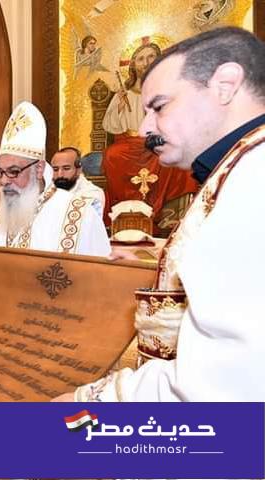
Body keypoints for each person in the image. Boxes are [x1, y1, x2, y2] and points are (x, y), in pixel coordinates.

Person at [55, 26, 265, 402]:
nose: (144, 128)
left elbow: (222, 381)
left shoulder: (254, 177)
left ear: (225, 85)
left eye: (159, 107)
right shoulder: (240, 170)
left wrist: (87, 404)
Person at [0, 102, 111, 335]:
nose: (4, 181)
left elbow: (100, 287)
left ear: (39, 169)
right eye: (0, 172)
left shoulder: (79, 214)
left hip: (55, 337)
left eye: (14, 172)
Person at [102, 40, 198, 225]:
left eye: (151, 57)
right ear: (132, 65)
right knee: (112, 155)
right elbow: (110, 126)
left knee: (176, 159)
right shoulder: (124, 94)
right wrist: (119, 107)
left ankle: (168, 216)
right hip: (130, 144)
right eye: (140, 59)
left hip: (158, 141)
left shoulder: (169, 91)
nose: (146, 62)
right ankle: (123, 213)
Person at [50, 146, 106, 216]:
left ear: (79, 170)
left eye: (66, 168)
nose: (60, 175)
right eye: (55, 169)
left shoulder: (92, 194)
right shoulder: (48, 191)